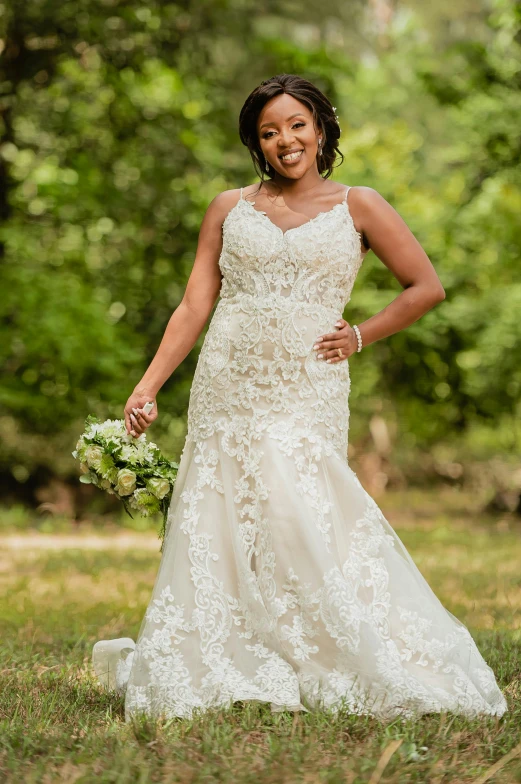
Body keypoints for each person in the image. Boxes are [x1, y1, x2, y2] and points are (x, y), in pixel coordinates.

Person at [93, 74, 507, 721]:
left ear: (319, 126)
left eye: (295, 124)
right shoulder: (227, 207)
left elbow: (424, 286)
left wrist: (361, 334)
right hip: (227, 381)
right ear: (255, 143)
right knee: (219, 514)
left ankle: (326, 648)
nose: (284, 140)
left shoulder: (358, 204)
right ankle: (227, 652)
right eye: (268, 131)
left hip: (305, 383)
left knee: (300, 509)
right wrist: (146, 387)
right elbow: (195, 303)